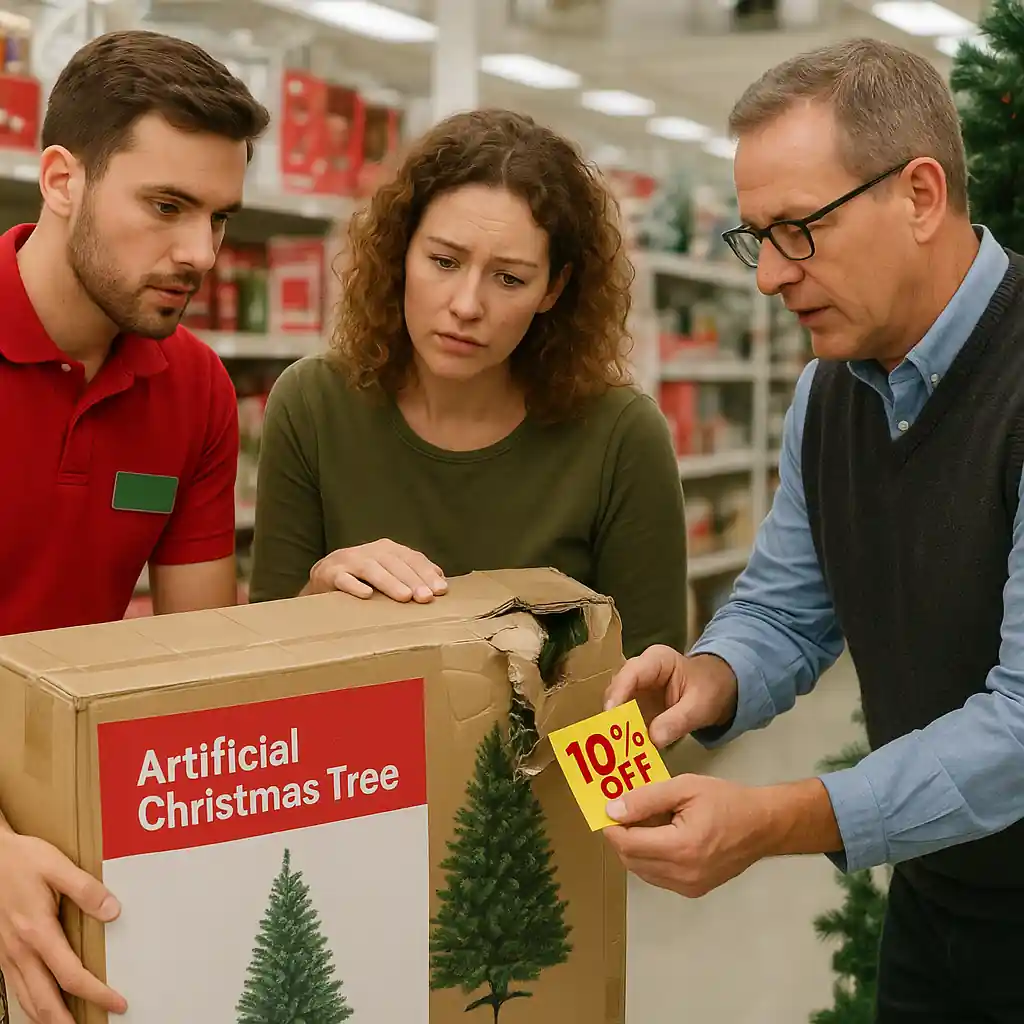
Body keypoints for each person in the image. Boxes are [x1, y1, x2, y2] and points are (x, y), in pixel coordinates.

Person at [602, 37, 1024, 1024]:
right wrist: (706, 680)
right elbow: (788, 608)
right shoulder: (825, 395)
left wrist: (782, 818)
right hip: (936, 896)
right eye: (756, 238)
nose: (768, 279)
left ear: (919, 195)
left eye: (797, 230)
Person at [0, 29, 269, 1024]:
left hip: (74, 814)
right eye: (166, 207)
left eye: (218, 217)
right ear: (61, 178)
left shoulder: (194, 387)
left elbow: (187, 664)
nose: (199, 252)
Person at [247, 108, 689, 662]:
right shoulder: (312, 405)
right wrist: (318, 595)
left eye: (509, 278)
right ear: (400, 252)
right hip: (361, 749)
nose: (466, 305)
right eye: (444, 260)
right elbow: (263, 662)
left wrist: (533, 747)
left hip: (555, 749)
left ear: (554, 288)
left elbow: (649, 694)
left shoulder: (621, 435)